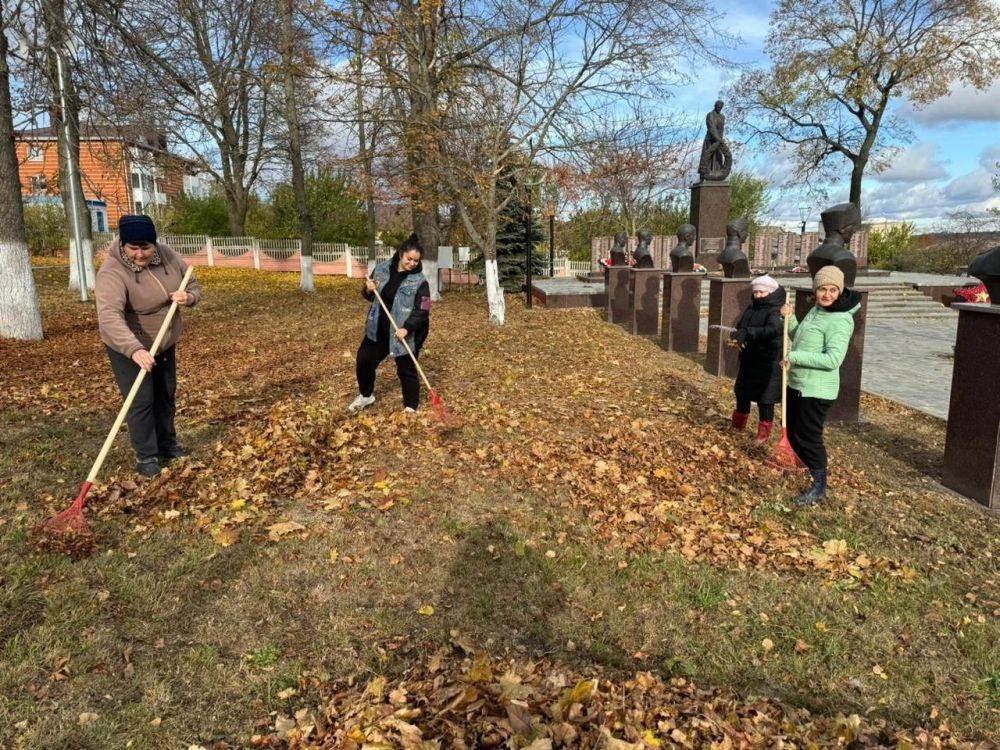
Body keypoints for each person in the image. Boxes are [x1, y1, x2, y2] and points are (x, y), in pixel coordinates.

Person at [96, 215, 202, 477]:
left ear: (154, 244)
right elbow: (109, 317)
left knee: (165, 394)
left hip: (163, 340)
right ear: (123, 244)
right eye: (133, 248)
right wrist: (135, 349)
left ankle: (166, 444)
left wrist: (188, 297)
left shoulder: (167, 255)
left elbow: (193, 284)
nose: (140, 254)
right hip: (128, 345)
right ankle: (146, 456)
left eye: (146, 247)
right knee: (141, 400)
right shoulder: (112, 271)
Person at [780, 266, 861, 505]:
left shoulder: (841, 319)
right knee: (794, 433)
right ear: (815, 291)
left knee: (808, 437)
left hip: (816, 391)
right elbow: (800, 338)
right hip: (797, 384)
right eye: (822, 289)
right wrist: (790, 318)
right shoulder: (816, 310)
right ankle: (801, 470)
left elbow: (833, 360)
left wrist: (794, 358)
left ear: (840, 291)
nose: (827, 294)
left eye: (832, 290)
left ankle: (819, 485)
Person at [347, 234, 431, 413]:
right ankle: (366, 396)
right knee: (364, 361)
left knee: (406, 370)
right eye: (409, 259)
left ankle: (410, 406)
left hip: (403, 332)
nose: (412, 263)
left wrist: (407, 328)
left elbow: (423, 310)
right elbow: (369, 294)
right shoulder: (382, 269)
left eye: (416, 261)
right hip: (378, 327)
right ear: (401, 254)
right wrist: (368, 290)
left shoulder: (420, 281)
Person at [730, 274, 785, 445]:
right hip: (749, 359)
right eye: (756, 292)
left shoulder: (777, 310)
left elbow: (773, 330)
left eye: (762, 292)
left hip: (767, 361)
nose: (758, 295)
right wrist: (738, 334)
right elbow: (742, 325)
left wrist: (750, 333)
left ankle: (763, 434)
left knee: (765, 400)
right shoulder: (752, 307)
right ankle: (738, 424)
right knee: (742, 393)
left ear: (770, 292)